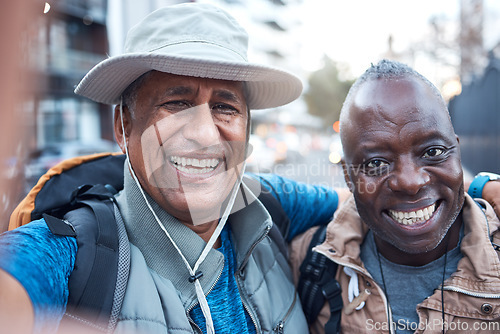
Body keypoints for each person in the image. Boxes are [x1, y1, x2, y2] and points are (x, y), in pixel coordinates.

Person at [0, 3, 345, 334]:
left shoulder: (268, 201)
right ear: (123, 128)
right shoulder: (70, 252)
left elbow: (361, 203)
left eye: (225, 107)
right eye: (176, 103)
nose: (204, 134)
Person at [290, 59, 500, 334]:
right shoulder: (307, 262)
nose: (411, 182)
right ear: (347, 175)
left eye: (432, 152)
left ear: (457, 153)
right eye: (376, 163)